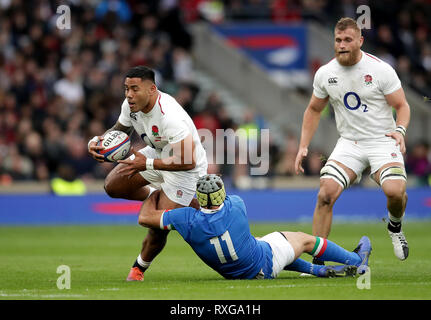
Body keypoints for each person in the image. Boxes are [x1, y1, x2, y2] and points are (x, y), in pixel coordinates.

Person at [294, 18, 410, 262]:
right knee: (326, 193)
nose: (342, 45)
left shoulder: (380, 69)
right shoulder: (325, 74)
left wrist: (400, 130)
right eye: (338, 40)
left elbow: (402, 105)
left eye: (348, 40)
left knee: (395, 192)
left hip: (382, 140)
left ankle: (395, 227)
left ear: (360, 41)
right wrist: (303, 145)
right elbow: (314, 110)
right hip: (350, 143)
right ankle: (318, 258)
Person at [87, 66, 208, 281]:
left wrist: (149, 164)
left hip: (186, 168)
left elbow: (187, 160)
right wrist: (98, 142)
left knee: (157, 225)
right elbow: (119, 131)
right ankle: (160, 195)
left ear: (152, 89)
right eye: (126, 89)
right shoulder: (130, 106)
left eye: (135, 89)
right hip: (157, 153)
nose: (129, 95)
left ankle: (138, 269)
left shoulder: (169, 116)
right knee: (112, 185)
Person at [138, 174, 371, 279]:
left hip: (234, 271)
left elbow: (145, 218)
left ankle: (316, 270)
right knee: (304, 239)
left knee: (262, 242)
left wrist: (153, 192)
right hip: (261, 265)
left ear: (198, 198)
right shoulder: (236, 205)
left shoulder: (184, 219)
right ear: (221, 195)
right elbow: (222, 202)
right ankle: (355, 260)